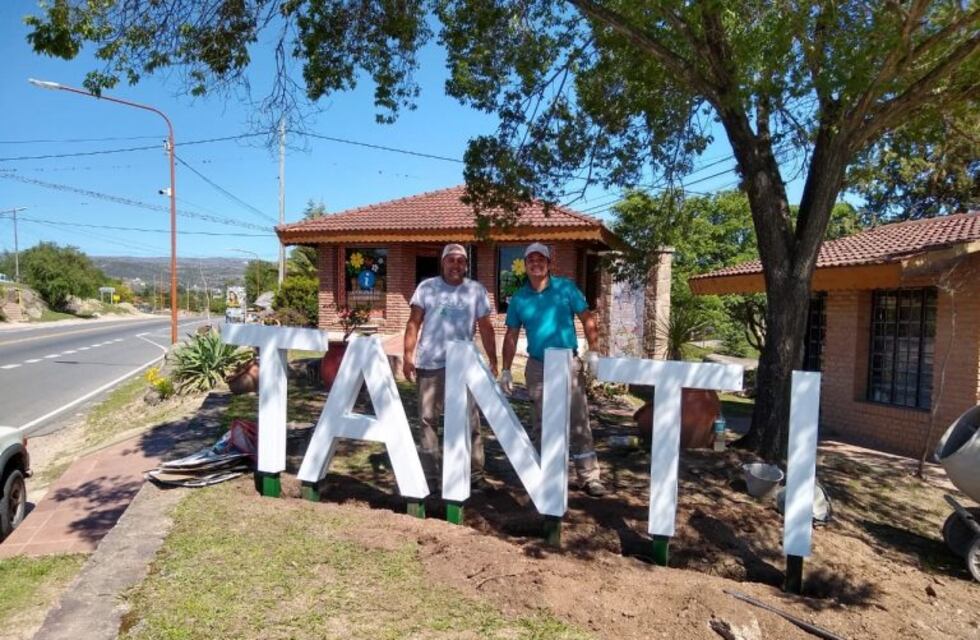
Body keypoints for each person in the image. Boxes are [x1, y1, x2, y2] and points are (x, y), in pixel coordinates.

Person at [500, 242, 608, 497]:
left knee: (578, 418)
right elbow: (511, 334)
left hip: (567, 363)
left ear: (549, 264)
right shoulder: (519, 298)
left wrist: (593, 351)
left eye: (541, 259)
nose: (536, 264)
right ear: (525, 265)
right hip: (537, 366)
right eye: (531, 260)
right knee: (541, 421)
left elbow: (587, 318)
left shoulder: (565, 289)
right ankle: (545, 472)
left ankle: (589, 476)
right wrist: (505, 369)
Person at [403, 243, 498, 493]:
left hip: (464, 367)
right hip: (430, 364)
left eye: (460, 261)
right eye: (451, 260)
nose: (456, 265)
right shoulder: (427, 288)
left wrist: (493, 360)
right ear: (443, 262)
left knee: (471, 421)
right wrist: (407, 356)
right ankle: (430, 477)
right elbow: (413, 322)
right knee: (428, 420)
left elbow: (486, 327)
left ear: (466, 265)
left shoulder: (475, 291)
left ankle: (475, 474)